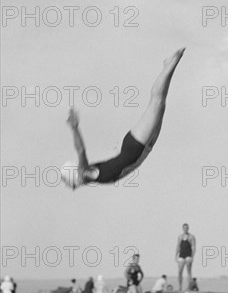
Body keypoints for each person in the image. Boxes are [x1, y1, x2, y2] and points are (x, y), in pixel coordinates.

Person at [61, 48, 185, 189]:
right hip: (143, 150)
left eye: (68, 182)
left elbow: (81, 150)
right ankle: (168, 67)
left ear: (74, 173)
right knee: (160, 103)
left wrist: (74, 128)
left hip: (134, 148)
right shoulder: (91, 176)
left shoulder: (84, 174)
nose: (72, 186)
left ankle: (171, 63)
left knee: (157, 101)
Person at [175, 223, 196, 291]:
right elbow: (178, 246)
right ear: (182, 229)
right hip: (182, 254)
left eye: (186, 228)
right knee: (180, 271)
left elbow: (193, 247)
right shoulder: (180, 237)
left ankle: (189, 287)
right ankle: (180, 286)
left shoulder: (191, 237)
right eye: (184, 228)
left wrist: (192, 256)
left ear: (188, 228)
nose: (185, 229)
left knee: (188, 271)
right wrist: (176, 255)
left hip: (188, 254)